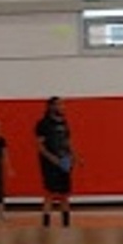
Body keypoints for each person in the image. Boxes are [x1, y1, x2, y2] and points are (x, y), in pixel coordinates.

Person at [35, 97, 81, 227]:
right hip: (49, 163)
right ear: (51, 107)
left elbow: (67, 142)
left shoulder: (64, 123)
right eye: (59, 104)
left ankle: (66, 225)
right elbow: (40, 147)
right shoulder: (43, 124)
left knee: (65, 194)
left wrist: (74, 156)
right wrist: (53, 159)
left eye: (63, 104)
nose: (62, 107)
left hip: (65, 160)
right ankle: (46, 225)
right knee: (49, 194)